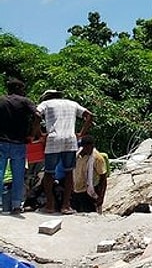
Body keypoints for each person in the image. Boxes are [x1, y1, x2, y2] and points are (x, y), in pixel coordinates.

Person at [37, 89, 92, 215]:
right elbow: (89, 115)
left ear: (47, 97)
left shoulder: (46, 104)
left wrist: (40, 133)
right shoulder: (72, 103)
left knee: (49, 173)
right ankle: (66, 206)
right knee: (68, 172)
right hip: (70, 139)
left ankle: (50, 205)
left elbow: (36, 114)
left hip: (53, 139)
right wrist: (81, 133)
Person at [0, 78, 38, 215]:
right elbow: (38, 115)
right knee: (18, 176)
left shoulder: (1, 100)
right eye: (22, 89)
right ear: (18, 88)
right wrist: (32, 134)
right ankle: (16, 205)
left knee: (0, 173)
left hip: (1, 142)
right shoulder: (25, 101)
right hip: (19, 143)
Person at [70, 136, 108, 214]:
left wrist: (101, 197)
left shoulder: (97, 158)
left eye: (90, 147)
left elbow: (103, 179)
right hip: (76, 190)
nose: (88, 149)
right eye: (86, 147)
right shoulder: (76, 155)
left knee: (90, 214)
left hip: (89, 192)